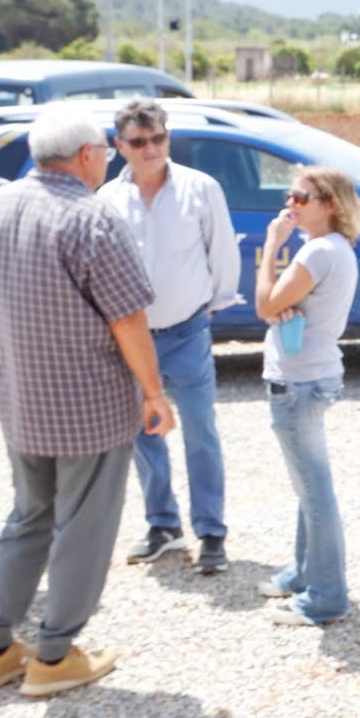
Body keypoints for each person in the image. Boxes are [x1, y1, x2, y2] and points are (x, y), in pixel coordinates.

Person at [0, 111, 175, 698]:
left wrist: (3, 376)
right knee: (83, 526)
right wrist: (154, 393)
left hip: (21, 401)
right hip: (88, 406)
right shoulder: (91, 216)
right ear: (85, 154)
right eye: (103, 149)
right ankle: (54, 655)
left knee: (27, 516)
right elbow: (128, 318)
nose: (107, 156)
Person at [97, 99, 242, 573]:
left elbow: (222, 256)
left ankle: (211, 532)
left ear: (167, 136)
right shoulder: (106, 200)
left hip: (187, 331)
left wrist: (208, 310)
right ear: (119, 146)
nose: (150, 148)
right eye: (138, 142)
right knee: (143, 434)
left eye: (157, 138)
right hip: (131, 337)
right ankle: (162, 525)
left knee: (201, 432)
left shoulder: (201, 190)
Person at [253, 164, 360, 627]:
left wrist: (272, 246)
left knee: (315, 493)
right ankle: (304, 573)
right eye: (290, 196)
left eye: (302, 198)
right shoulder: (336, 249)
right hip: (313, 376)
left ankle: (326, 596)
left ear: (330, 205)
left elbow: (264, 306)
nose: (290, 204)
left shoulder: (316, 253)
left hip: (298, 381)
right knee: (307, 485)